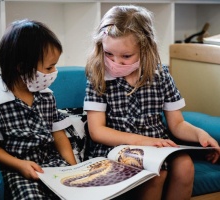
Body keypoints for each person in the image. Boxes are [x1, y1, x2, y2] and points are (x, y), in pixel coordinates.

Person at [83, 5, 220, 200]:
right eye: (109, 54)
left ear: (145, 48)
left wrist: (200, 134)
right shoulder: (98, 76)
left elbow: (177, 124)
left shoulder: (161, 75)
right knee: (156, 174)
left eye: (126, 56)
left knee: (185, 166)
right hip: (119, 147)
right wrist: (143, 142)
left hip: (159, 147)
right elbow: (97, 131)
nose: (116, 62)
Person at [0, 19, 77, 199]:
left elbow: (58, 134)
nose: (54, 72)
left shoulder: (46, 95)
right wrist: (20, 165)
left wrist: (73, 167)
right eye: (49, 67)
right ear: (22, 67)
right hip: (18, 170)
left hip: (53, 165)